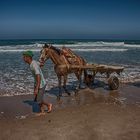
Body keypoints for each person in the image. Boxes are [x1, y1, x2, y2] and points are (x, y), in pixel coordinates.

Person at [23, 50, 52, 116]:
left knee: (38, 100)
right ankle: (42, 111)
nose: (23, 58)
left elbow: (38, 76)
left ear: (28, 57)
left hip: (41, 84)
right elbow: (41, 64)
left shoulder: (33, 65)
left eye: (24, 57)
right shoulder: (33, 62)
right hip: (37, 83)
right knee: (36, 99)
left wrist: (37, 88)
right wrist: (41, 64)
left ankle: (49, 105)